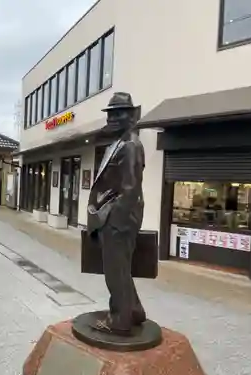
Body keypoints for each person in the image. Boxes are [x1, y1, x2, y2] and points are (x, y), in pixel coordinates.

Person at [86, 92, 146, 336]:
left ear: (130, 116)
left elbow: (131, 189)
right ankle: (134, 310)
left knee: (115, 272)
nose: (112, 118)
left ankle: (120, 320)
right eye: (110, 113)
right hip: (109, 216)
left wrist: (115, 221)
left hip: (118, 219)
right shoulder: (118, 144)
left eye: (118, 113)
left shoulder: (131, 145)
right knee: (120, 269)